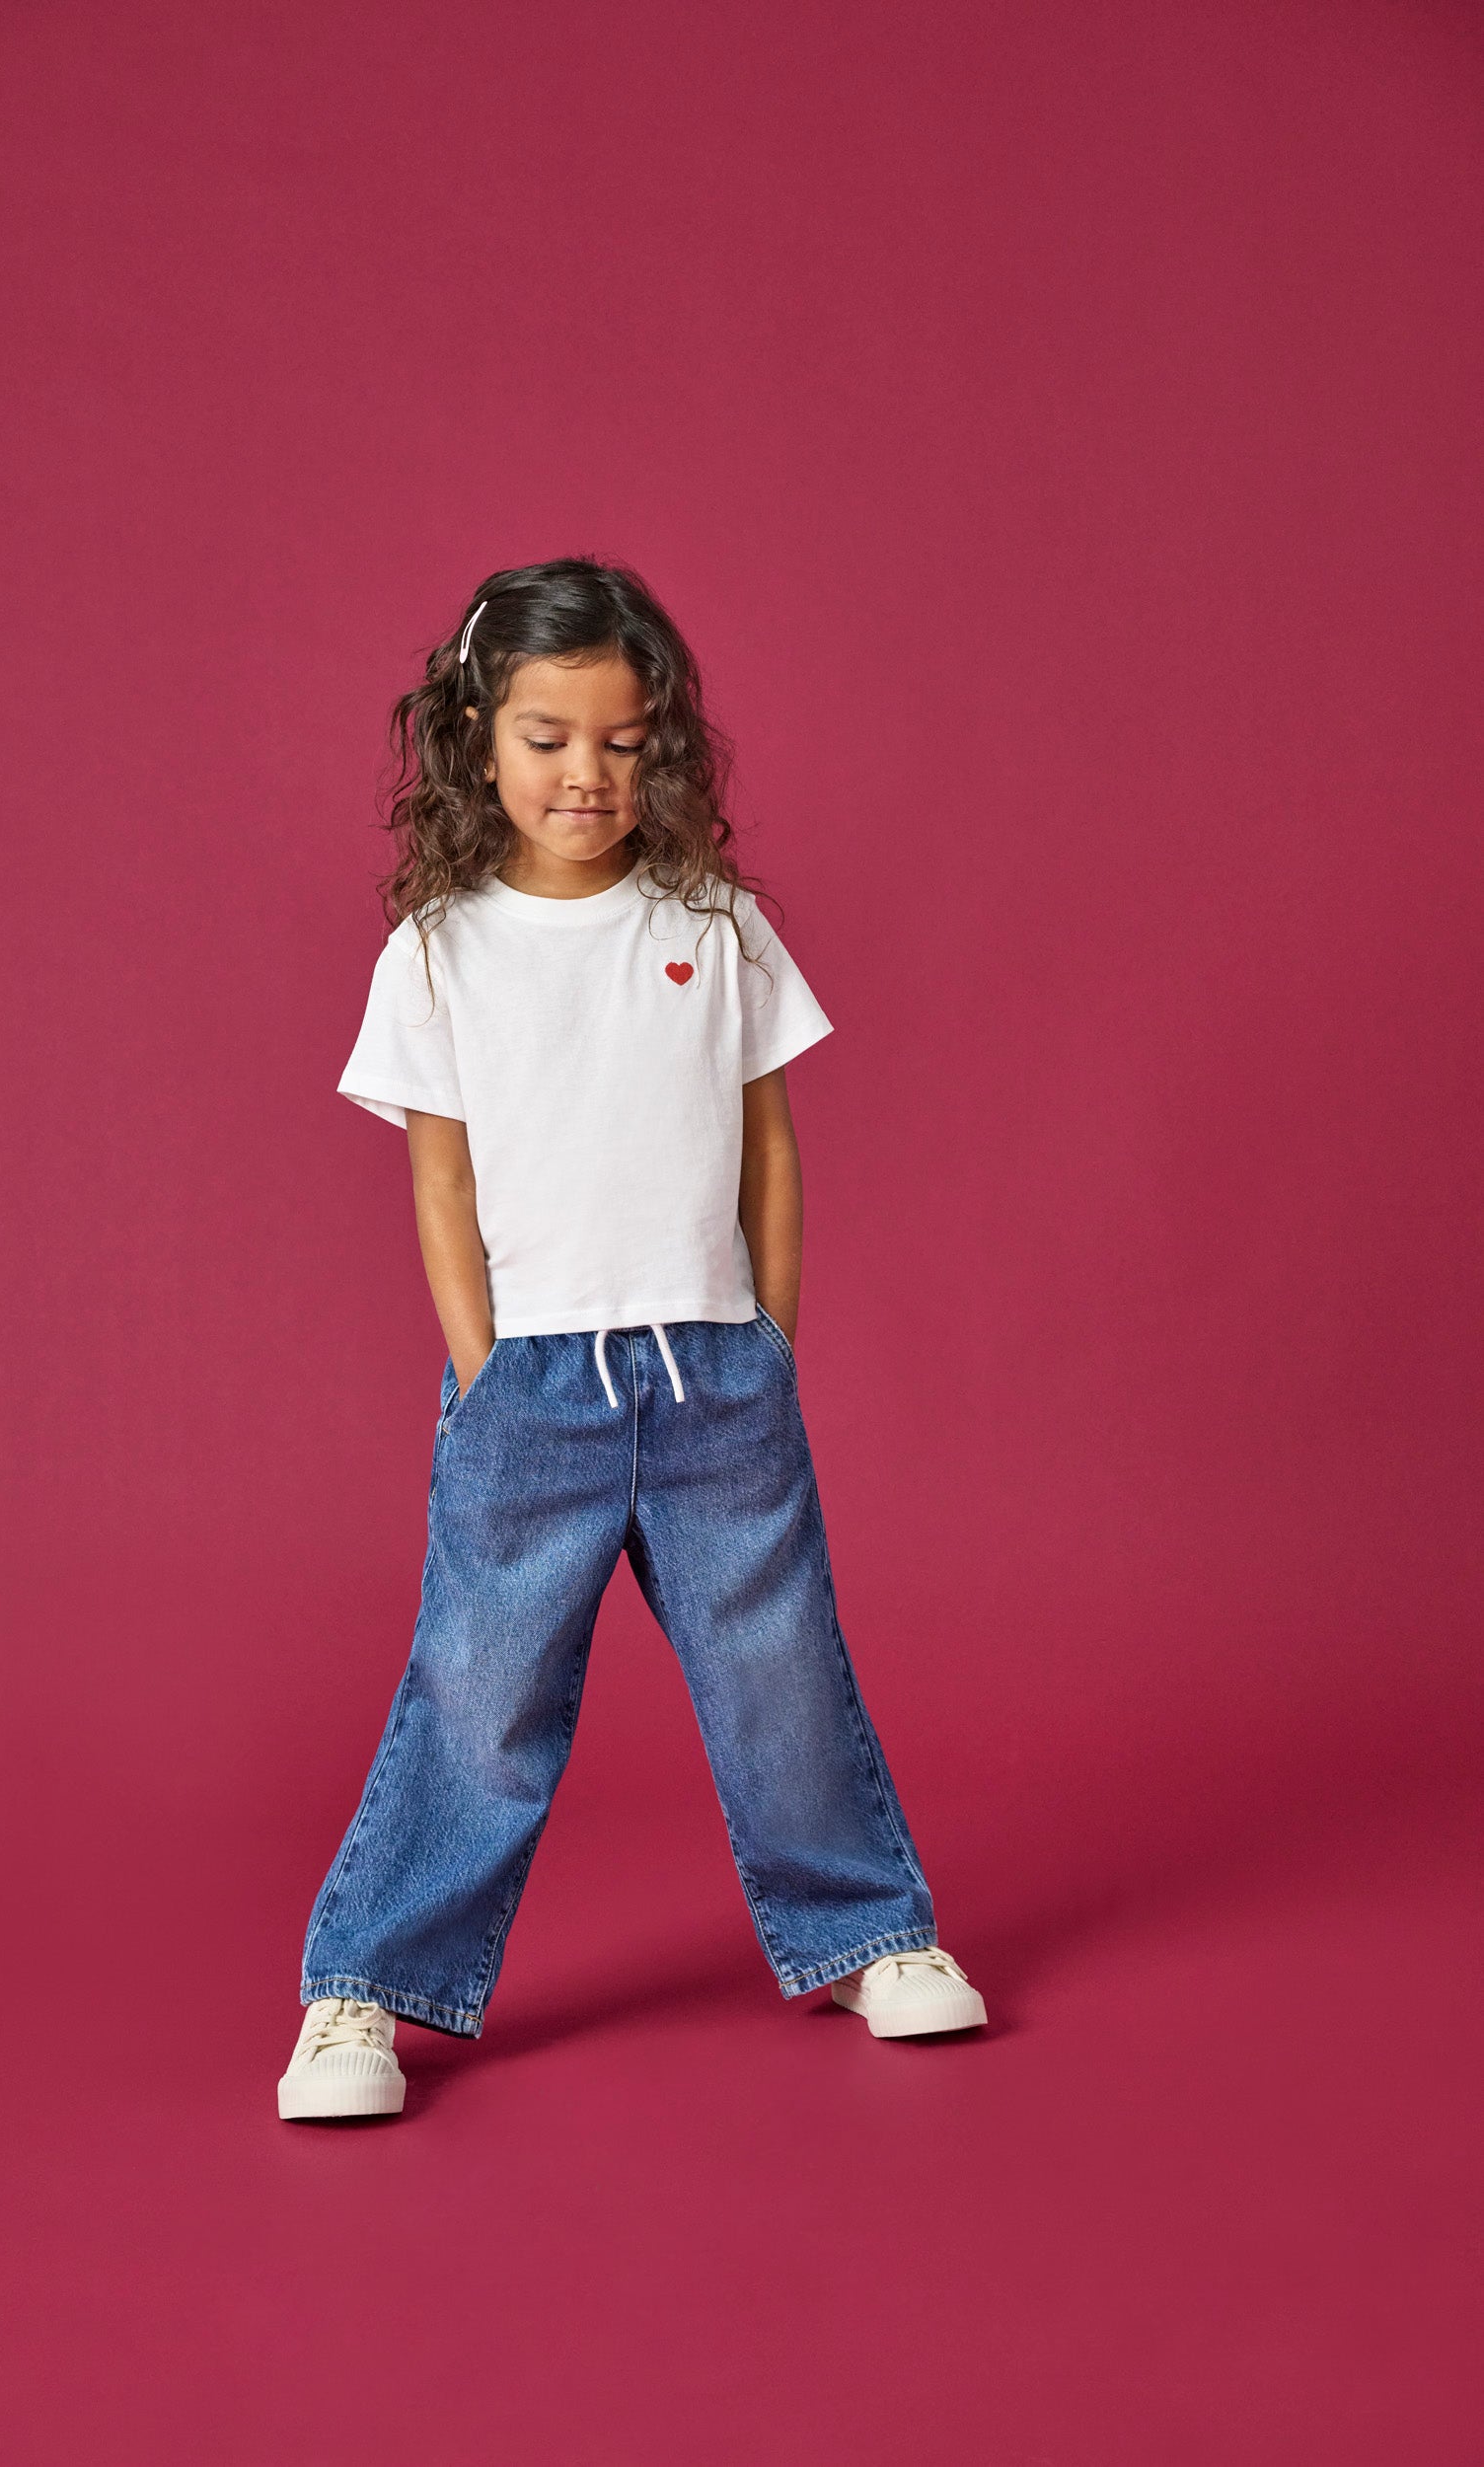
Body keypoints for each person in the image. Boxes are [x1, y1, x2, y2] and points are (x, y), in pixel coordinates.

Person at [278, 558, 986, 2120]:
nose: (586, 773)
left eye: (621, 739)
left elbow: (769, 1148)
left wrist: (768, 1332)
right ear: (477, 737)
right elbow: (442, 1180)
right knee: (482, 1694)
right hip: (533, 1380)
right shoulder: (439, 948)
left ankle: (871, 1935)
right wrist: (484, 1367)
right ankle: (362, 1991)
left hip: (713, 1365)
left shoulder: (715, 925)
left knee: (777, 1666)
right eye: (548, 738)